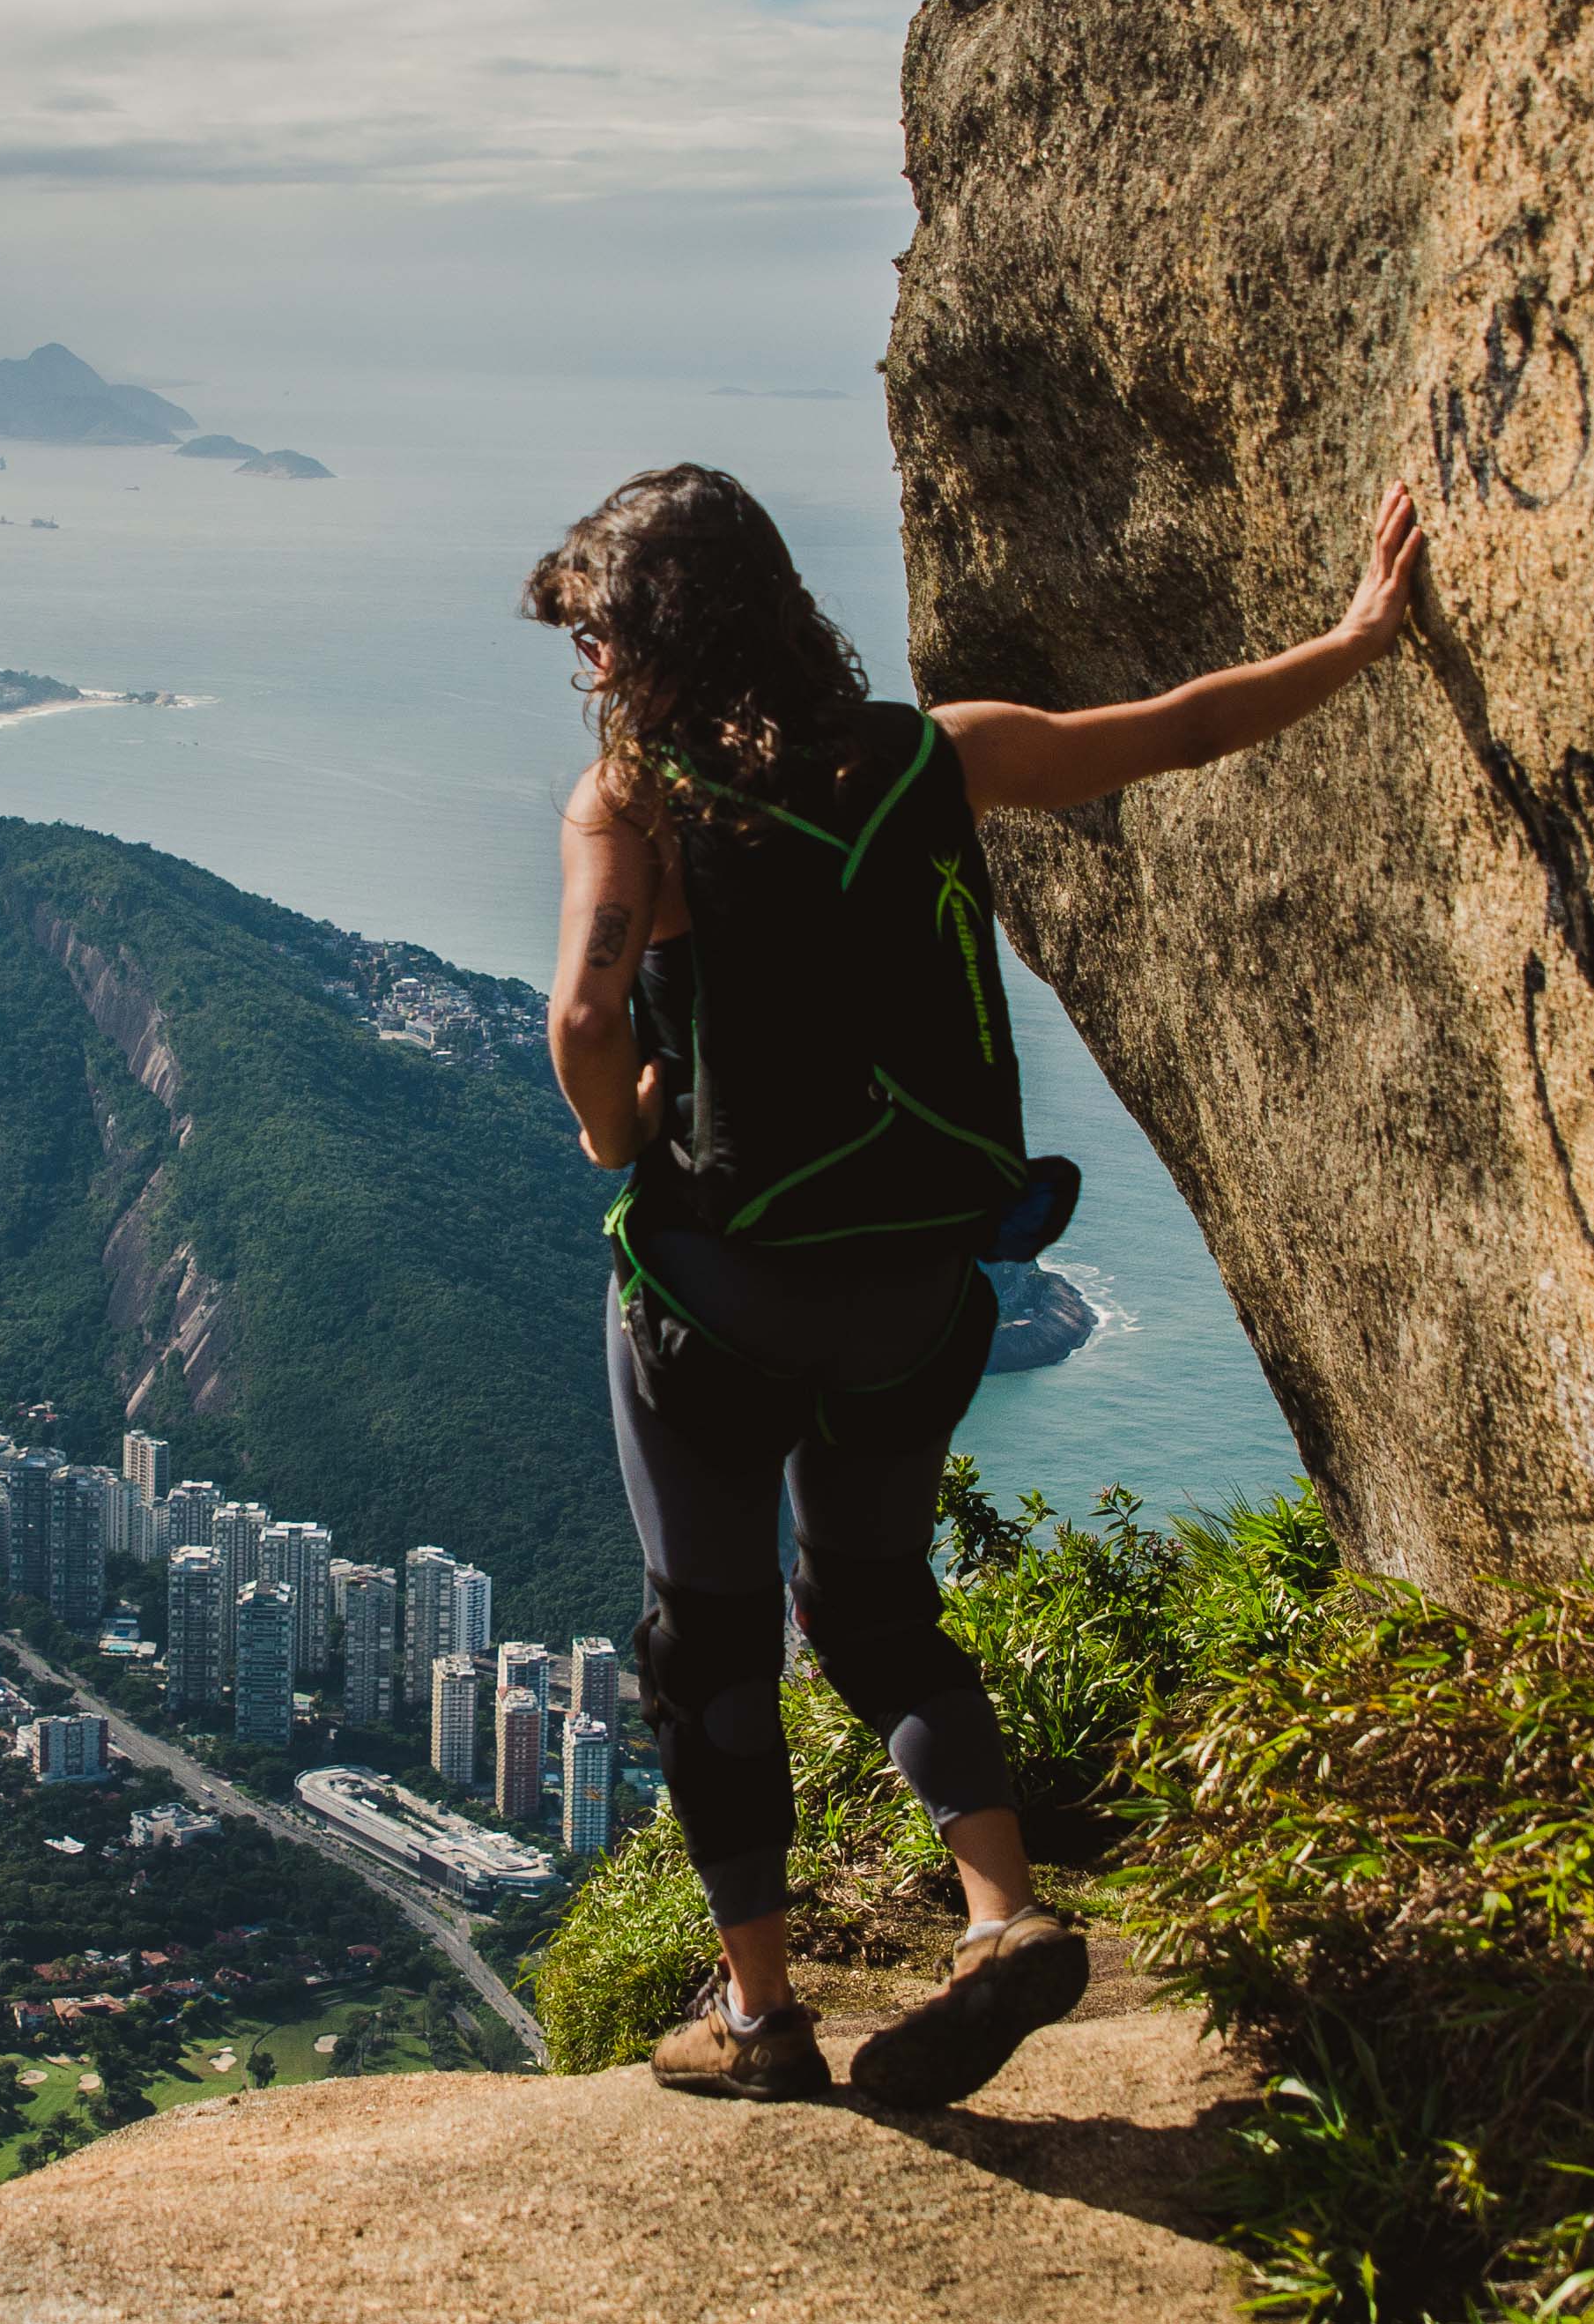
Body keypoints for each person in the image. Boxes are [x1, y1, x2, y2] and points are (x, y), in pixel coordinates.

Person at [531, 464, 1425, 2105]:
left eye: (597, 641)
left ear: (656, 642)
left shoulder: (634, 809)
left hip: (719, 1300)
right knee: (874, 1604)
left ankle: (759, 2021)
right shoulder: (941, 753)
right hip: (929, 1295)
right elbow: (1178, 729)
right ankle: (1002, 1917)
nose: (588, 674)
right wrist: (1363, 636)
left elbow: (588, 1031)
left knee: (709, 1641)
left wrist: (620, 1131)